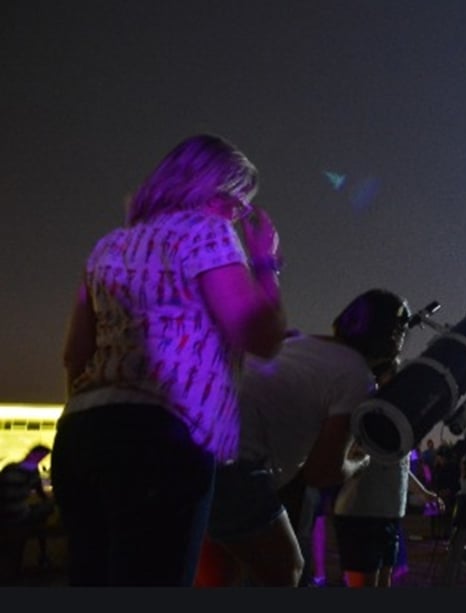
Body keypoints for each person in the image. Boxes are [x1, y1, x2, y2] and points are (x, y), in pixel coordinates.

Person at [52, 133, 286, 586]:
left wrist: (95, 426)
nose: (237, 218)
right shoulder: (207, 231)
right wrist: (265, 264)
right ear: (210, 190)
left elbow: (75, 353)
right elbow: (260, 335)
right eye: (236, 203)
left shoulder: (108, 246)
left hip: (81, 433)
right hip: (163, 438)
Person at [194, 288, 412, 587]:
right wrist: (359, 462)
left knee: (221, 573)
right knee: (287, 569)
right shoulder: (357, 376)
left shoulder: (297, 343)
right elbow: (322, 472)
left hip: (196, 443)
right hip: (234, 463)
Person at [332, 361, 446, 588]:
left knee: (385, 580)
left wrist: (423, 493)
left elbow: (400, 466)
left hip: (389, 512)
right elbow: (345, 456)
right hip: (362, 513)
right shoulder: (362, 411)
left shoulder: (400, 418)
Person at [0, 445, 56, 577]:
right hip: (19, 515)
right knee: (47, 508)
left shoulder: (10, 467)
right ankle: (43, 554)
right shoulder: (32, 472)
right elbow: (42, 495)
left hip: (4, 513)